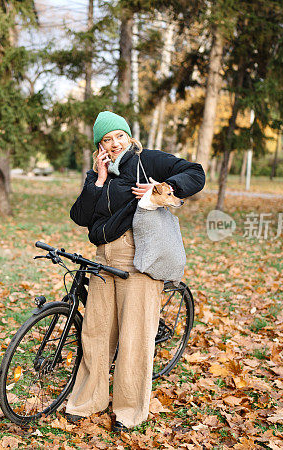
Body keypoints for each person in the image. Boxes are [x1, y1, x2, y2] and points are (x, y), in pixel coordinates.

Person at [64, 111, 205, 432]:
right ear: (99, 145)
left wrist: (164, 188)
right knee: (96, 333)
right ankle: (88, 400)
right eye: (106, 140)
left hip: (138, 254)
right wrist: (98, 179)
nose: (114, 144)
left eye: (119, 137)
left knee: (134, 335)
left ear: (129, 137)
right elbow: (81, 216)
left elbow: (195, 172)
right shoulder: (99, 173)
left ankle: (128, 411)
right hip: (102, 256)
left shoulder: (147, 161)